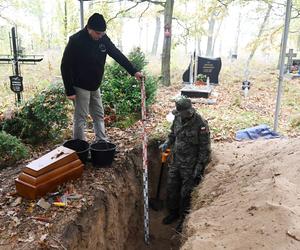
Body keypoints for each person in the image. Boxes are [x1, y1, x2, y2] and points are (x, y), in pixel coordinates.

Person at [61, 13, 143, 141]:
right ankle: (80, 146)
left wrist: (134, 71)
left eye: (102, 34)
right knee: (81, 117)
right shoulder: (76, 40)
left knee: (99, 114)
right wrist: (69, 90)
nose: (100, 36)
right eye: (98, 33)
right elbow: (65, 66)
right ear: (89, 29)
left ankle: (101, 141)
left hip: (95, 85)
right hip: (80, 85)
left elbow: (117, 54)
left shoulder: (103, 38)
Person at [159, 97, 211, 232]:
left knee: (186, 193)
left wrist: (199, 168)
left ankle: (184, 219)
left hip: (190, 165)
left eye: (186, 112)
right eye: (182, 113)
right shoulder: (177, 118)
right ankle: (173, 213)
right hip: (176, 161)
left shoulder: (201, 124)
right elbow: (172, 135)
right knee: (172, 187)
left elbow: (204, 149)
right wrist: (167, 143)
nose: (185, 115)